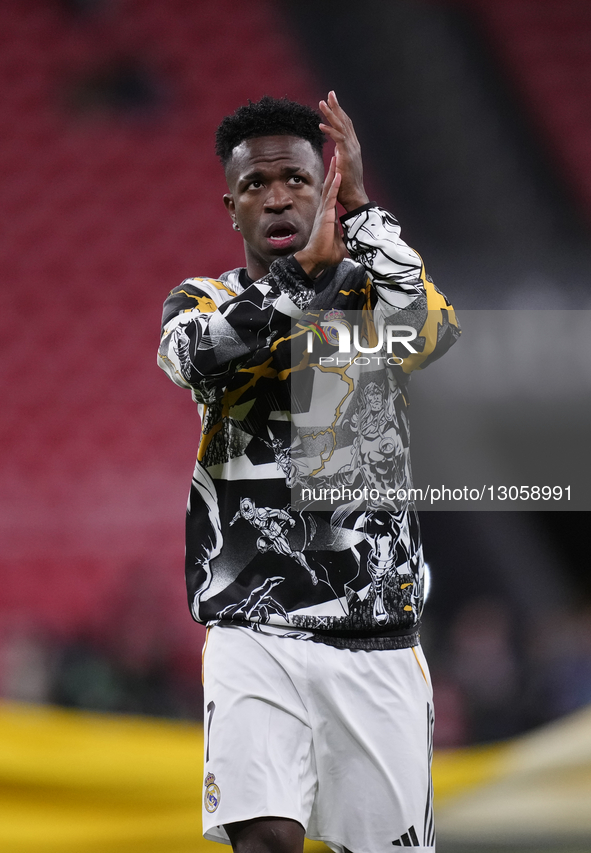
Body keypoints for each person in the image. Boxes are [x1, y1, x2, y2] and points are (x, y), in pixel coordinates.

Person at [158, 93, 460, 853]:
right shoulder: (204, 303)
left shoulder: (370, 300)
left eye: (293, 176)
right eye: (254, 186)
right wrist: (302, 278)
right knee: (263, 841)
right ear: (231, 208)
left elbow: (432, 336)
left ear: (320, 185)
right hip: (251, 632)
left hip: (376, 642)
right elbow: (194, 356)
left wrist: (363, 212)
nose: (275, 196)